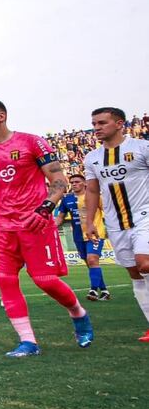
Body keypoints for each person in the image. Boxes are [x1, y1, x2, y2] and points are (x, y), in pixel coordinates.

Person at [0, 99, 93, 358]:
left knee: (45, 280)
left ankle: (78, 313)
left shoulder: (31, 142)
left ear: (1, 116)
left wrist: (46, 208)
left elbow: (59, 181)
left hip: (35, 221)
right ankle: (28, 341)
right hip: (1, 227)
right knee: (5, 279)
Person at [84, 107, 149, 342]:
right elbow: (92, 190)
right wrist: (89, 221)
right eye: (94, 124)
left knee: (145, 264)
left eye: (102, 123)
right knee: (134, 272)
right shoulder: (92, 158)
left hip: (144, 216)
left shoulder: (142, 148)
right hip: (115, 222)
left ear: (120, 123)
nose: (97, 128)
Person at [56, 174, 110, 301]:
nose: (74, 184)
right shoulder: (67, 199)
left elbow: (108, 212)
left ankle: (93, 290)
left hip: (95, 234)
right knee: (90, 263)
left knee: (92, 260)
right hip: (78, 236)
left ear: (85, 183)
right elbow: (60, 217)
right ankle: (104, 291)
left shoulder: (95, 197)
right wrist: (49, 227)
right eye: (72, 182)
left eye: (77, 182)